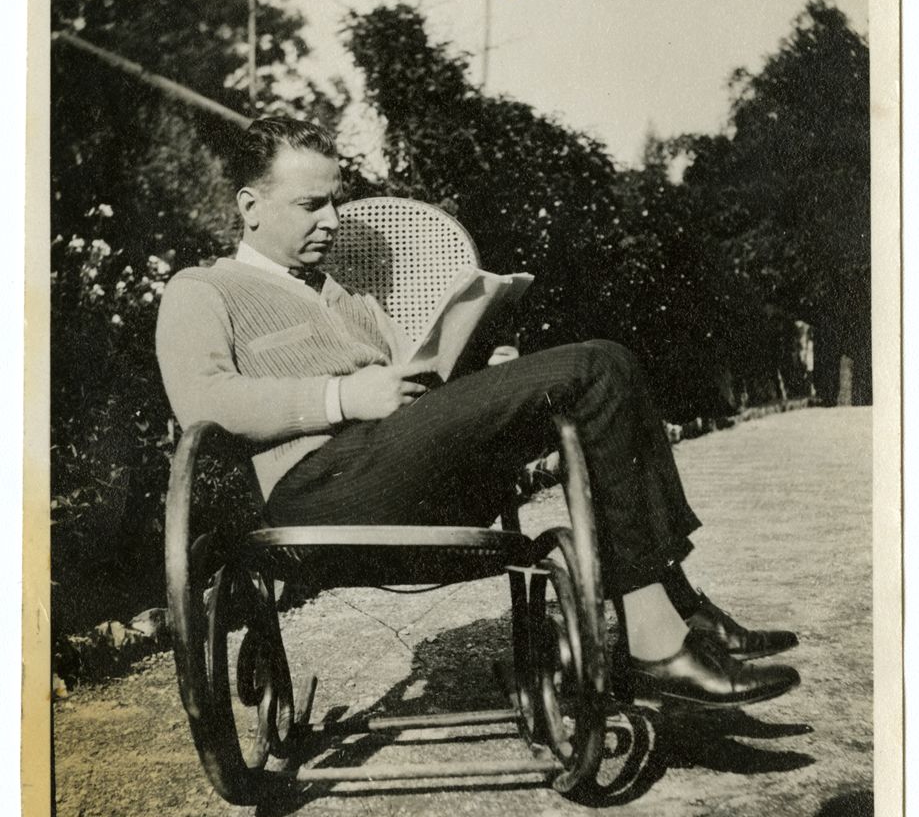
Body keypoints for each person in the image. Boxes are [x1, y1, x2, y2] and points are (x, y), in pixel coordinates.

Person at [156, 116, 800, 708]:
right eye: (310, 204)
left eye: (335, 199)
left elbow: (413, 402)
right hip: (318, 494)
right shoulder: (203, 289)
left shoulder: (348, 300)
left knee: (602, 373)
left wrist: (478, 382)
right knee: (597, 365)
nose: (331, 218)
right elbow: (203, 401)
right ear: (250, 206)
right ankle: (658, 648)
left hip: (404, 475)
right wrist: (340, 397)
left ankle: (682, 612)